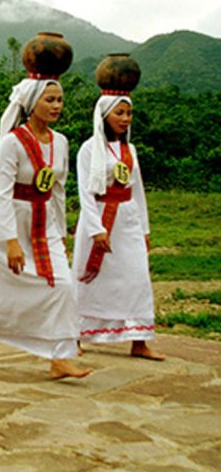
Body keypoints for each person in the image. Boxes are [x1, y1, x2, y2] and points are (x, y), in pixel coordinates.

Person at [0, 75, 91, 379]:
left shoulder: (60, 142)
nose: (57, 105)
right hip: (12, 223)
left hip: (44, 222)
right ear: (32, 104)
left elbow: (58, 189)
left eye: (60, 100)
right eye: (50, 100)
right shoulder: (12, 143)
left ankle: (59, 357)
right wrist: (10, 240)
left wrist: (61, 231)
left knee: (62, 285)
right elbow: (2, 193)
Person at [73, 93, 163, 360]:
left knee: (136, 277)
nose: (125, 119)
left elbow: (138, 191)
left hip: (128, 219)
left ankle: (139, 340)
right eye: (119, 113)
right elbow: (85, 193)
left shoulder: (130, 150)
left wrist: (144, 229)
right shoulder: (89, 149)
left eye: (128, 114)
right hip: (99, 217)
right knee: (89, 280)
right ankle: (75, 335)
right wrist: (96, 229)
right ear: (104, 116)